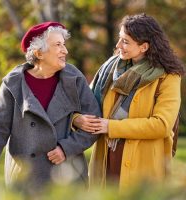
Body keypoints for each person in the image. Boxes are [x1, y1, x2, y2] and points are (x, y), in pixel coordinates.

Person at [73, 13, 185, 189]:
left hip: (144, 165)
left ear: (144, 47)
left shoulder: (168, 77)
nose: (118, 46)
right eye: (119, 39)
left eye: (125, 41)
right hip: (106, 159)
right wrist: (76, 119)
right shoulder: (110, 70)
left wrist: (111, 127)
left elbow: (162, 125)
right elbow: (84, 105)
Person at [0, 21, 101, 192]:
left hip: (67, 176)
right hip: (26, 179)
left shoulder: (74, 78)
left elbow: (94, 124)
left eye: (64, 44)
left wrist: (66, 148)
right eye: (58, 45)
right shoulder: (13, 84)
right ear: (39, 53)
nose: (65, 50)